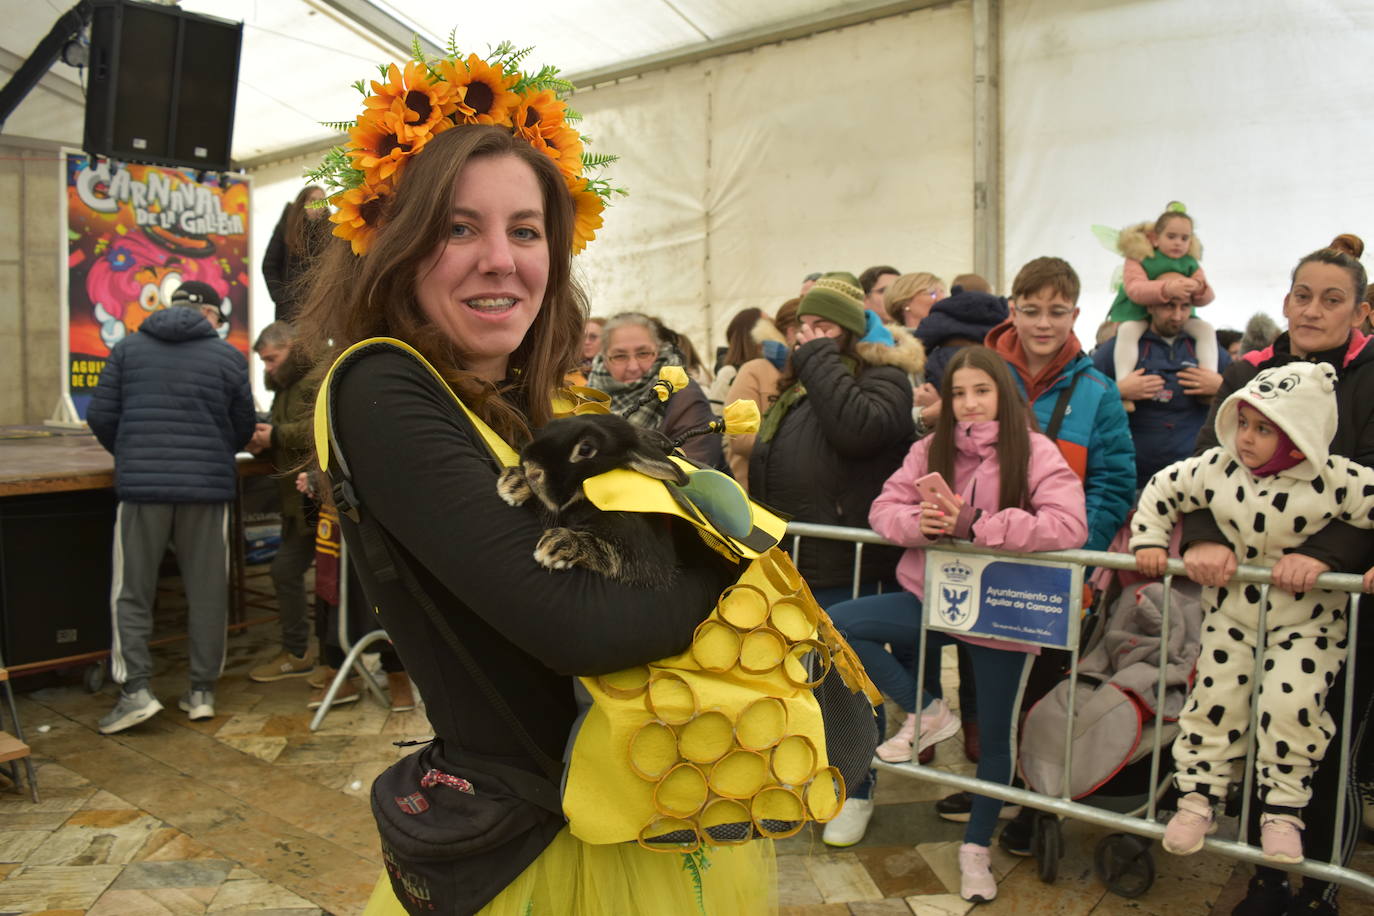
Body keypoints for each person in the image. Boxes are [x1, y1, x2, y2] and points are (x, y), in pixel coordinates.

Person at [295, 63, 773, 911]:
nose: (500, 260)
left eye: (525, 230)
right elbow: (575, 623)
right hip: (543, 852)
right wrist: (742, 578)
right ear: (395, 242)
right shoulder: (382, 385)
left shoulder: (537, 401)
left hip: (646, 809)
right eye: (458, 228)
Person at [828, 345, 1087, 897]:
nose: (969, 404)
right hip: (932, 597)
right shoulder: (929, 448)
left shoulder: (1036, 451)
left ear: (1004, 395)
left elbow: (1068, 526)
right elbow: (883, 509)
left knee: (996, 740)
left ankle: (976, 850)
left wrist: (977, 524)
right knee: (839, 626)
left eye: (981, 391)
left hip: (1003, 613)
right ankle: (928, 711)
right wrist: (920, 522)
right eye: (959, 393)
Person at [1179, 236, 1374, 916]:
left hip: (1337, 599)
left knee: (1324, 738)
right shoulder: (1247, 374)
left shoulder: (1371, 377)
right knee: (1253, 726)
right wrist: (1203, 539)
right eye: (1302, 295)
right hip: (1250, 595)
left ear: (1360, 310)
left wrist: (1329, 555)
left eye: (1332, 299)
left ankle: (1321, 886)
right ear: (1285, 299)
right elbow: (1206, 468)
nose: (1313, 310)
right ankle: (1265, 878)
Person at [1133, 361, 1374, 868]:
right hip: (1232, 619)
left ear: (1299, 435)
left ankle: (1283, 810)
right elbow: (1161, 489)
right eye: (1242, 423)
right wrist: (1152, 540)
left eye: (1264, 429)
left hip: (1309, 626)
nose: (1246, 438)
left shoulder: (1336, 479)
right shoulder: (1216, 468)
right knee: (1214, 699)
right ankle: (1197, 798)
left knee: (1292, 707)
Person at [934, 257, 1134, 832]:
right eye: (1031, 310)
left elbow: (1112, 480)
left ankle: (1034, 800)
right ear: (1011, 310)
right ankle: (991, 789)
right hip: (981, 561)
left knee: (1044, 688)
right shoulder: (983, 375)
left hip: (1055, 572)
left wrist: (1078, 555)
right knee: (986, 683)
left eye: (1057, 311)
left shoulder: (1096, 390)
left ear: (1076, 314)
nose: (1043, 323)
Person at [86, 279, 255, 733]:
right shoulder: (226, 357)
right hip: (207, 489)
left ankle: (136, 690)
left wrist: (131, 454)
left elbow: (101, 416)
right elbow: (242, 424)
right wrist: (211, 452)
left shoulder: (128, 348)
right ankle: (201, 691)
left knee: (132, 592)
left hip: (142, 490)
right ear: (213, 316)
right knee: (207, 591)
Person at [748, 271, 921, 605]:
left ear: (850, 330)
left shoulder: (884, 376)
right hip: (800, 559)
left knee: (847, 652)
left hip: (848, 566)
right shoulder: (806, 383)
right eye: (805, 324)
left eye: (825, 326)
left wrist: (816, 356)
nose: (810, 334)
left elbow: (859, 432)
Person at [245, 321, 319, 684]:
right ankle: (313, 651)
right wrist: (266, 439)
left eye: (272, 359)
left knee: (288, 572)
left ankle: (302, 653)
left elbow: (320, 428)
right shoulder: (288, 384)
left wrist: (275, 434)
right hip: (299, 503)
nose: (268, 368)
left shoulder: (314, 378)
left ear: (292, 347)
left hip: (315, 500)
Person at [1092, 298, 1230, 488]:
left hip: (1193, 476)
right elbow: (1084, 399)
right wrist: (1119, 390)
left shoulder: (1207, 349)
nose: (1177, 316)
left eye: (1185, 307)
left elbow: (1243, 399)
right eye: (1168, 306)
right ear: (1150, 305)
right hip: (1133, 477)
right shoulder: (1118, 349)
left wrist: (1220, 387)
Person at [1106, 204, 1217, 411]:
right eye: (1172, 236)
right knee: (1128, 330)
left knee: (1206, 329)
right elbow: (1135, 289)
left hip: (1179, 319)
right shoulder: (1139, 258)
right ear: (1155, 237)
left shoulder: (1191, 263)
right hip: (1137, 311)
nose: (1178, 243)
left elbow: (1208, 296)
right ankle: (1125, 384)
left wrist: (1199, 288)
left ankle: (1207, 379)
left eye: (1184, 238)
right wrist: (1167, 289)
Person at [585, 313, 723, 469]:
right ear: (605, 359)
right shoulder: (589, 396)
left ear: (658, 352)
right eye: (619, 356)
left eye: (643, 354)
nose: (633, 367)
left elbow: (696, 470)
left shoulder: (683, 394)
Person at [722, 299, 797, 489]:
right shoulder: (754, 371)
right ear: (787, 331)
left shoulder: (819, 373)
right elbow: (739, 438)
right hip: (754, 492)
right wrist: (801, 451)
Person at [262, 185, 332, 322]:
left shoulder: (330, 230)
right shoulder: (287, 226)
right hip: (289, 309)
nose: (317, 205)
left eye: (322, 201)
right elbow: (269, 265)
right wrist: (281, 297)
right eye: (312, 200)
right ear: (302, 203)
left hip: (318, 308)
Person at [706, 308, 783, 415]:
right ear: (752, 334)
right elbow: (715, 416)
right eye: (767, 323)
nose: (774, 328)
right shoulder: (729, 374)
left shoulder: (776, 369)